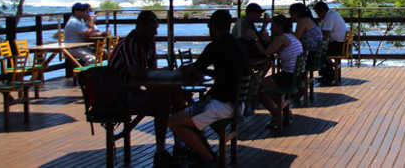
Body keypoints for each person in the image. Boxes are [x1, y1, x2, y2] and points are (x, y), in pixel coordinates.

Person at [169, 10, 250, 167]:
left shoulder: (216, 46)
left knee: (174, 122)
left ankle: (210, 160)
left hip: (223, 105)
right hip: (238, 103)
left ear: (213, 27)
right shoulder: (239, 44)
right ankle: (205, 154)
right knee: (191, 111)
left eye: (209, 27)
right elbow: (227, 70)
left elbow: (193, 69)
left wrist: (178, 71)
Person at [107, 10, 185, 162]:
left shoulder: (147, 43)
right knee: (162, 102)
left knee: (175, 95)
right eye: (153, 29)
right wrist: (164, 77)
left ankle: (180, 144)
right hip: (120, 95)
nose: (155, 32)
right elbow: (138, 73)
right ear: (141, 26)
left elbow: (149, 73)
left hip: (134, 89)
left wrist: (163, 78)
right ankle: (161, 150)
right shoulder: (129, 44)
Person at [257, 15, 303, 130]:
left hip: (289, 77)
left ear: (280, 27)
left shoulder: (282, 38)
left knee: (258, 88)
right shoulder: (290, 37)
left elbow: (267, 52)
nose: (271, 28)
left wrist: (255, 41)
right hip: (296, 76)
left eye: (273, 26)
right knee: (264, 86)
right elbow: (273, 46)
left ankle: (277, 115)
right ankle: (283, 112)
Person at [314, 1, 347, 85]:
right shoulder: (331, 14)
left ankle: (328, 75)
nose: (317, 15)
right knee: (319, 50)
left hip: (337, 45)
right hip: (340, 44)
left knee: (317, 52)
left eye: (317, 13)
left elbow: (326, 33)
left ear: (322, 11)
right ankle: (328, 73)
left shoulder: (329, 16)